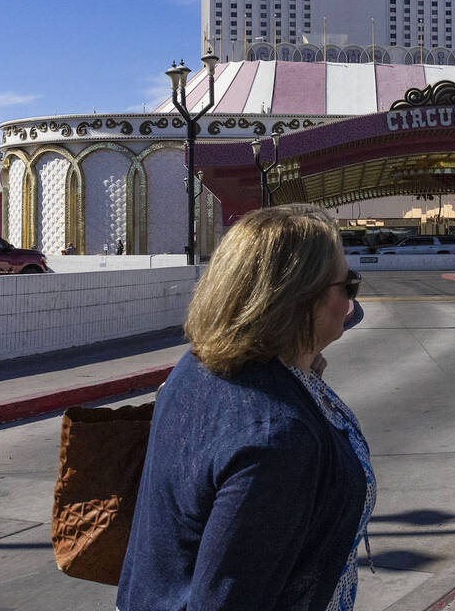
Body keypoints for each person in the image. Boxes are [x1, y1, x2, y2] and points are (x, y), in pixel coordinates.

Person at [117, 205, 375, 611]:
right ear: (300, 300)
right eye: (349, 285)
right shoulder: (277, 439)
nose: (352, 303)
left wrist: (302, 363)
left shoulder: (198, 367)